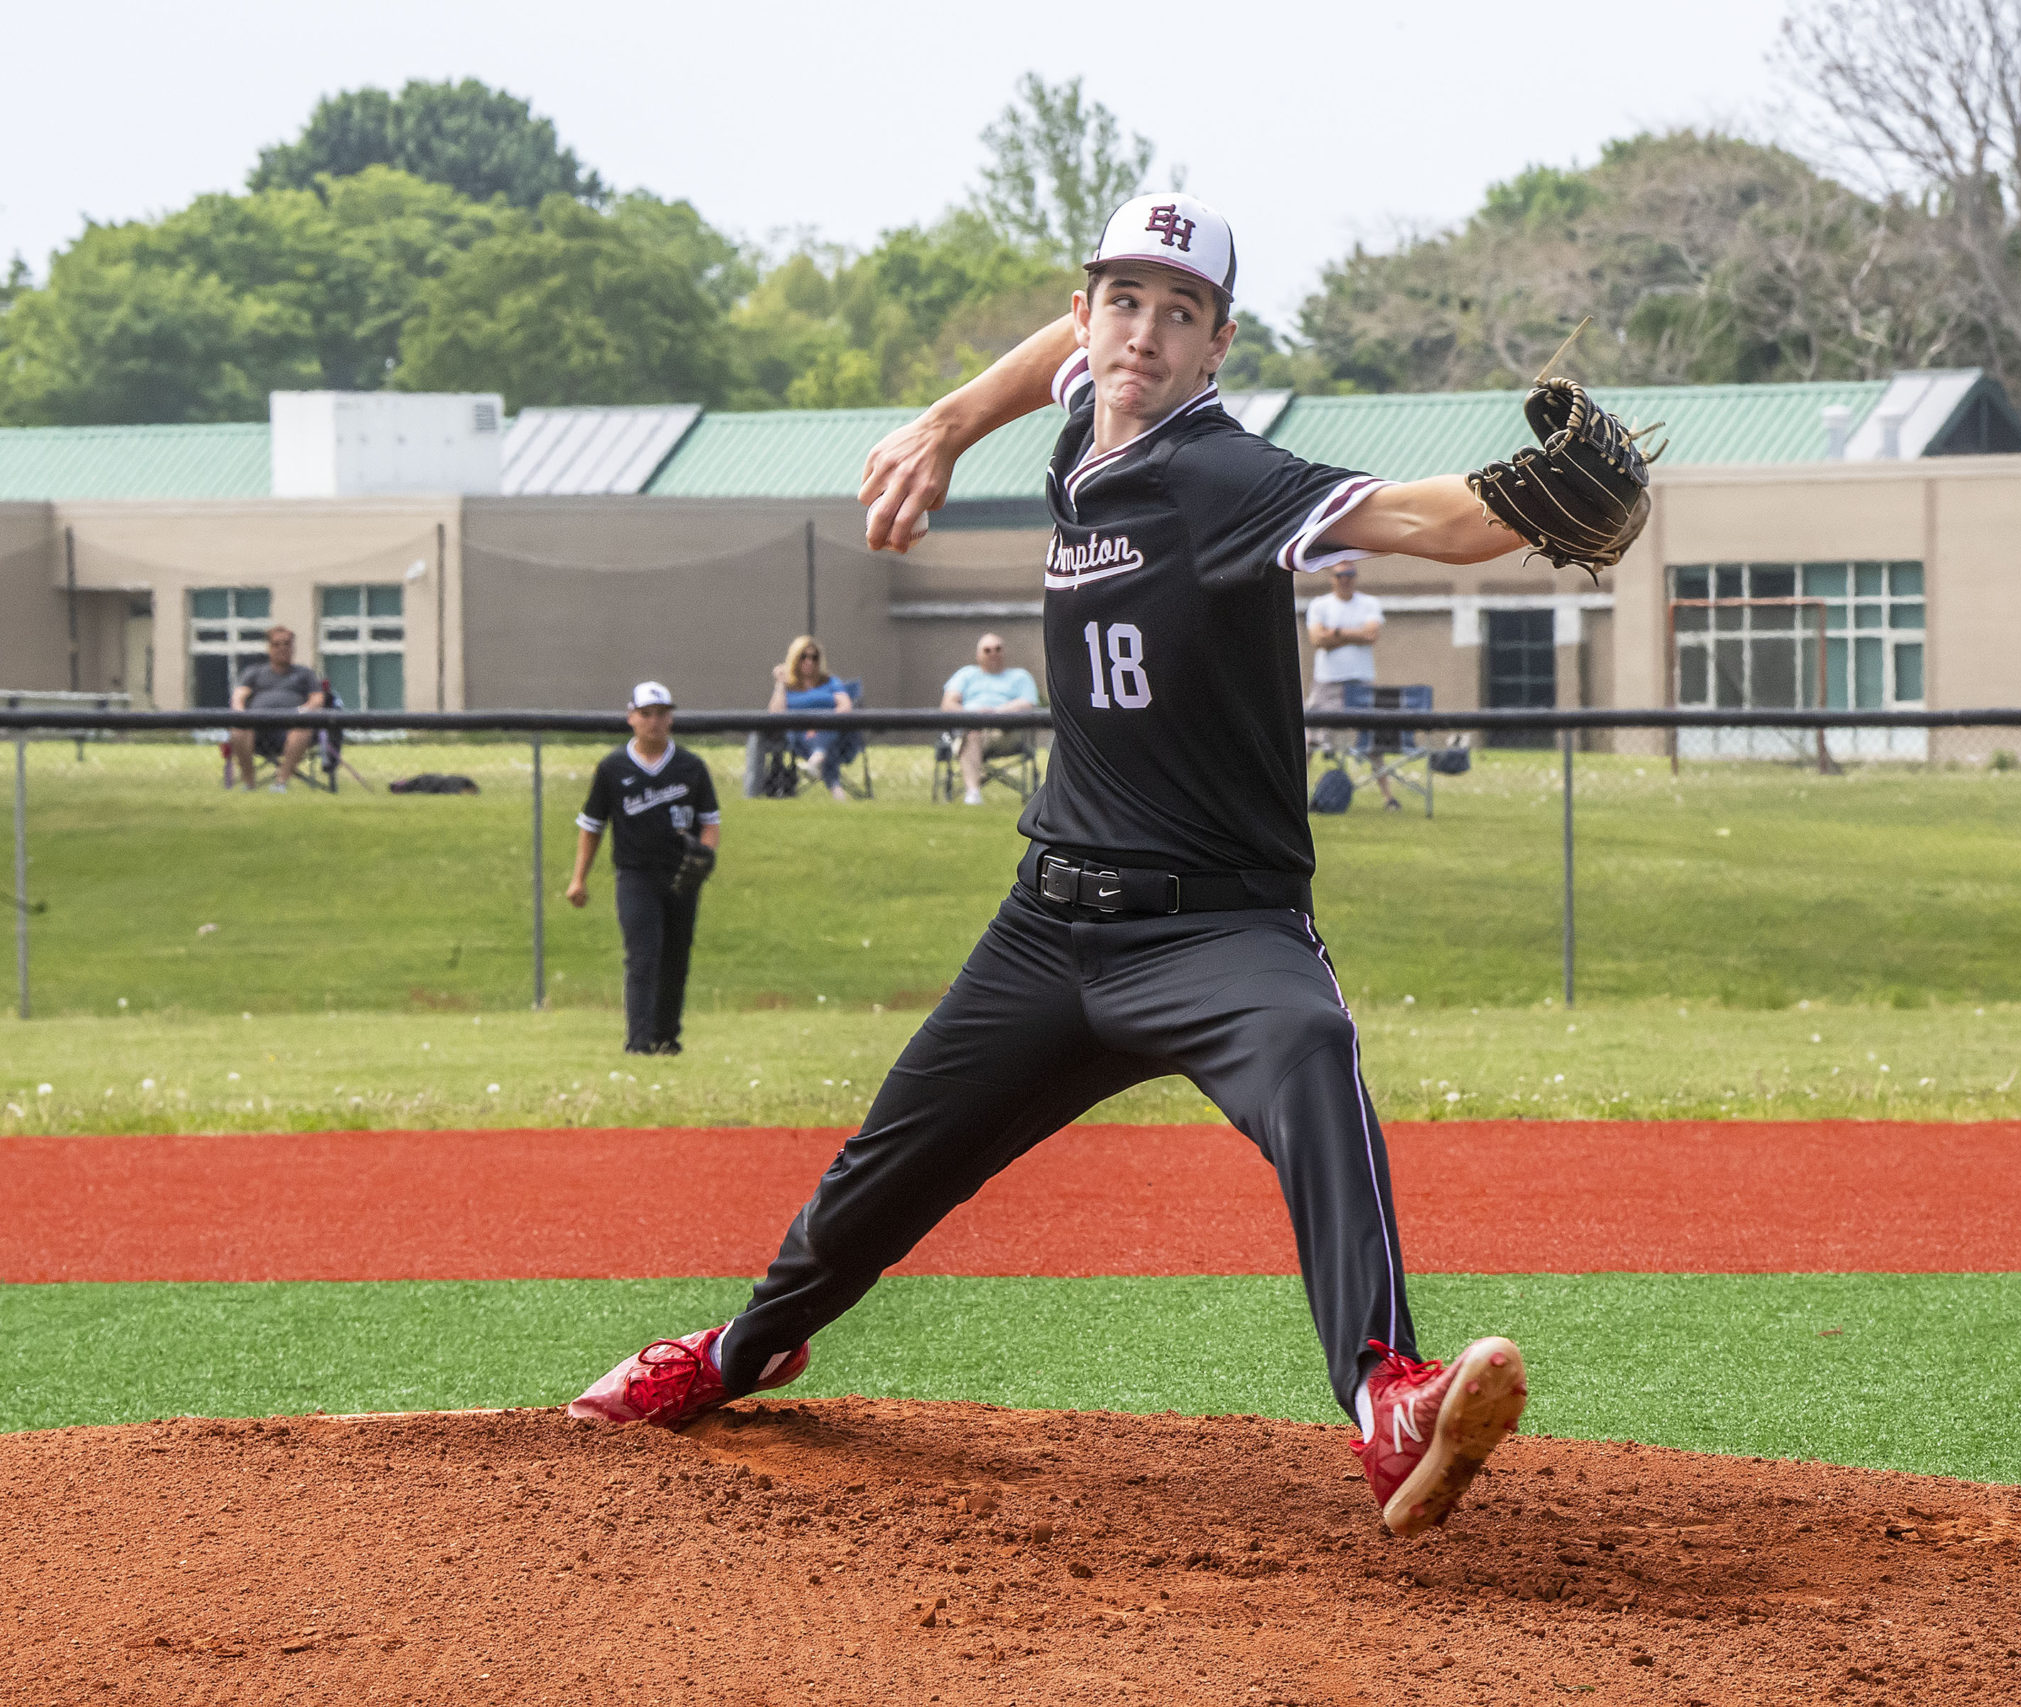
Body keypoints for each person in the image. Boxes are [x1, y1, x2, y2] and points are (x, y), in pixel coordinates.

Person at [572, 194, 1542, 1540]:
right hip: (1049, 926)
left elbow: (1424, 522)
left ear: (1220, 345)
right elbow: (1055, 354)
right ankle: (744, 1351)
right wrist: (944, 424)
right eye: (1122, 300)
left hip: (1218, 931)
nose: (1142, 333)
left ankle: (1387, 1395)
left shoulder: (1223, 473)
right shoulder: (1096, 393)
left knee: (1313, 1048)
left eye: (1180, 312)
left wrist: (1536, 499)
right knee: (876, 1176)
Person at [566, 681, 721, 1056]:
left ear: (671, 718)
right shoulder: (614, 768)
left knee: (676, 957)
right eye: (647, 714)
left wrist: (704, 857)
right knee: (643, 956)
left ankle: (667, 1037)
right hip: (635, 875)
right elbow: (592, 827)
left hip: (682, 875)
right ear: (631, 717)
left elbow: (710, 823)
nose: (654, 721)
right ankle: (638, 1042)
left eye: (662, 714)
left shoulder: (690, 766)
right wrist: (578, 879)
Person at [1304, 563, 1400, 809]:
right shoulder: (1320, 605)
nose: (1345, 580)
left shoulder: (1369, 604)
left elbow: (1371, 635)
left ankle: (1388, 798)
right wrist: (1352, 635)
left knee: (1372, 742)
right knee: (1308, 739)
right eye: (1340, 575)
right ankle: (1297, 795)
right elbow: (1317, 639)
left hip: (1361, 683)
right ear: (1331, 577)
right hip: (1326, 683)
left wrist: (1334, 633)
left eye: (1350, 575)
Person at [939, 632, 1039, 804]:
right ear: (978, 655)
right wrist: (974, 715)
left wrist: (997, 711)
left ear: (1004, 652)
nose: (993, 653)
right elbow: (948, 703)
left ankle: (975, 776)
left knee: (981, 733)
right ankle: (973, 794)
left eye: (998, 649)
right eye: (987, 650)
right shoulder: (966, 675)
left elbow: (1027, 704)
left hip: (1006, 733)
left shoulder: (1020, 677)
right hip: (971, 731)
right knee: (972, 734)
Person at [229, 625, 325, 791]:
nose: (282, 648)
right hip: (258, 728)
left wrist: (303, 711)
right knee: (238, 730)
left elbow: (317, 699)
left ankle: (280, 782)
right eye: (277, 644)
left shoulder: (305, 674)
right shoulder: (254, 672)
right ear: (269, 647)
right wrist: (240, 712)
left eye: (287, 644)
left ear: (293, 647)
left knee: (303, 728)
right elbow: (239, 696)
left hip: (290, 727)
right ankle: (249, 782)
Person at [774, 635, 858, 801]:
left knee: (830, 736)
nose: (809, 661)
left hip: (831, 729)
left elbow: (845, 706)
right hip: (799, 736)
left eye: (814, 657)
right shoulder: (788, 686)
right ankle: (835, 787)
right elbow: (776, 715)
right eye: (803, 656)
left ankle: (817, 758)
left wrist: (820, 725)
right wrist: (779, 684)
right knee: (828, 749)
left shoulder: (831, 682)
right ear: (795, 659)